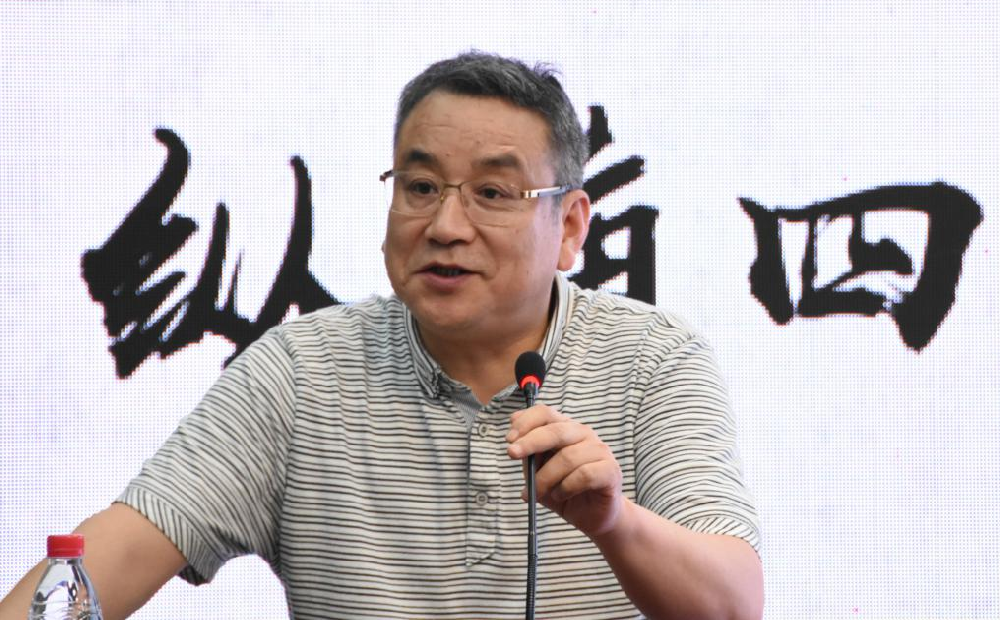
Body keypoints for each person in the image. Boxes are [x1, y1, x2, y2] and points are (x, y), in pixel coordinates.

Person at [1, 52, 763, 619]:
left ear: (569, 227)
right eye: (420, 186)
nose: (446, 224)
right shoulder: (300, 374)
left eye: (492, 192)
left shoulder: (654, 362)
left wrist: (615, 525)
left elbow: (733, 605)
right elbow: (109, 559)